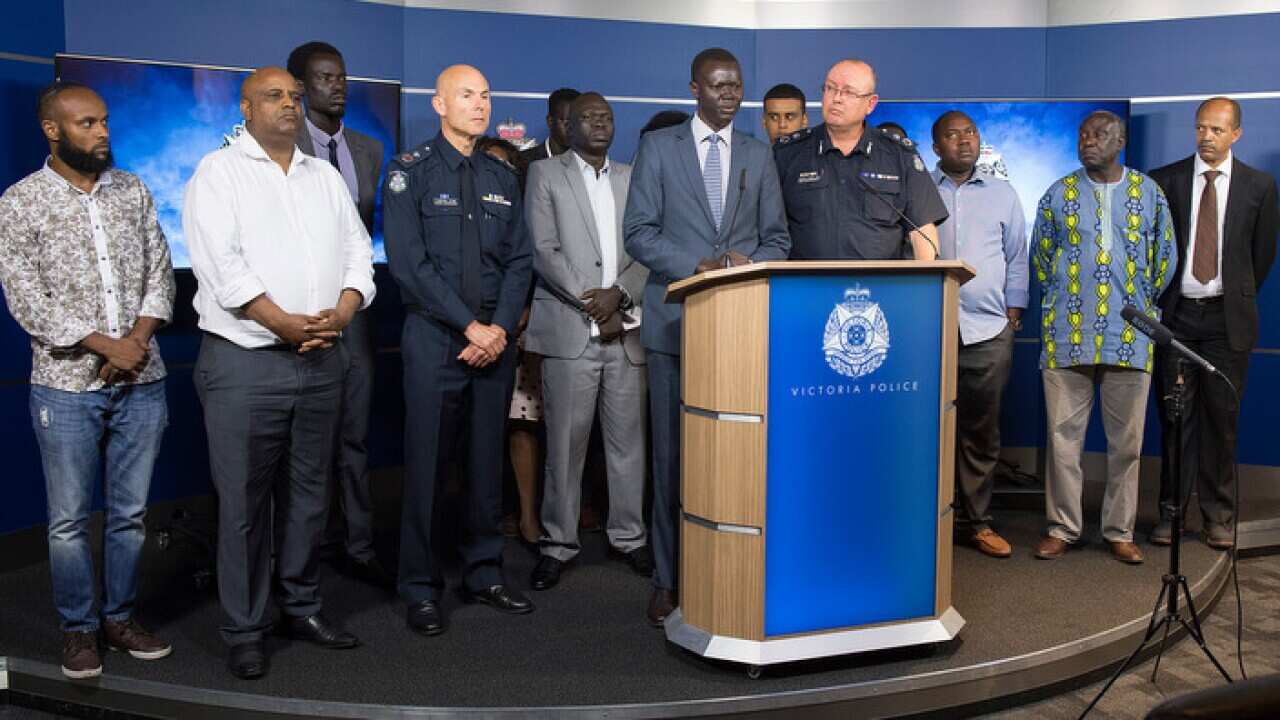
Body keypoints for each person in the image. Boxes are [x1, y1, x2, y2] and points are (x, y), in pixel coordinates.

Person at [185, 67, 375, 679]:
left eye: (295, 97)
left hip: (322, 358)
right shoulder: (220, 172)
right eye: (275, 96)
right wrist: (282, 323)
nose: (289, 105)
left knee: (309, 496)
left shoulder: (323, 175)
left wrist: (343, 311)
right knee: (243, 504)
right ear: (246, 108)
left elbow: (357, 250)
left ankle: (301, 606)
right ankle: (245, 627)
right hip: (247, 363)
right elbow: (222, 267)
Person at [0, 81, 175, 680]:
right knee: (70, 520)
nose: (102, 133)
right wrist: (107, 345)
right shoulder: (19, 202)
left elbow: (160, 271)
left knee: (129, 514)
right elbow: (27, 298)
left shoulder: (133, 191)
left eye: (104, 122)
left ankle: (119, 618)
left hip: (142, 380)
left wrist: (137, 344)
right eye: (87, 124)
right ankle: (79, 629)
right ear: (53, 130)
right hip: (63, 387)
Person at [624, 47, 790, 627]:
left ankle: (734, 569)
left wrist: (745, 265)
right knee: (673, 458)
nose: (729, 94)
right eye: (718, 85)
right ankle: (669, 578)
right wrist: (697, 265)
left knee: (738, 459)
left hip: (739, 332)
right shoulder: (657, 148)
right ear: (694, 87)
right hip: (674, 327)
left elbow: (778, 241)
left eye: (736, 85)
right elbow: (639, 233)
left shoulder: (756, 152)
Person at [383, 64, 535, 639]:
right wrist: (471, 327)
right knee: (426, 466)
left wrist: (497, 329)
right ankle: (420, 587)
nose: (479, 104)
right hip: (436, 340)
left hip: (495, 343)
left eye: (486, 95)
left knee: (484, 463)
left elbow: (520, 260)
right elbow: (409, 266)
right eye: (466, 95)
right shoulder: (409, 173)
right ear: (439, 104)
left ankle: (485, 572)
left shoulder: (503, 175)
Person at [1031, 110, 1176, 565]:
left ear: (1121, 141)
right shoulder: (1059, 193)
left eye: (1099, 135)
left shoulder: (1148, 193)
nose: (1087, 141)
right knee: (1063, 439)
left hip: (1129, 337)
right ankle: (1062, 528)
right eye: (1082, 134)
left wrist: (1138, 302)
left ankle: (1119, 530)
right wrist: (1065, 297)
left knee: (1127, 443)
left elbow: (1164, 258)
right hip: (1066, 335)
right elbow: (1041, 257)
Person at [524, 92, 651, 590]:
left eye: (607, 117)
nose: (600, 124)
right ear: (567, 126)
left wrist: (618, 295)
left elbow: (645, 246)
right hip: (571, 333)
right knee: (565, 447)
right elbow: (543, 249)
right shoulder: (544, 175)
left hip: (626, 332)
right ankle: (558, 543)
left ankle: (630, 537)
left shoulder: (631, 176)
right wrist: (591, 300)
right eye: (589, 117)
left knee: (628, 448)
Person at [1149, 97, 1279, 550]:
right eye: (1201, 128)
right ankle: (1171, 515)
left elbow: (1260, 257)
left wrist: (1232, 296)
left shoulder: (1259, 186)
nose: (1207, 137)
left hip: (1228, 321)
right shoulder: (1166, 180)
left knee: (1222, 423)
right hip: (1178, 317)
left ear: (1236, 134)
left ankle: (1217, 516)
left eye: (1217, 130)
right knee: (1175, 419)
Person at [286, 40, 392, 589]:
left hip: (355, 316)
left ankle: (358, 542)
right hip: (294, 322)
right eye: (326, 77)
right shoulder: (283, 145)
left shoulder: (370, 149)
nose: (339, 85)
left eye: (343, 75)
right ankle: (307, 549)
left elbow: (365, 238)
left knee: (355, 437)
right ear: (300, 88)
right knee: (306, 444)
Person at [930, 110, 1027, 558]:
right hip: (928, 331)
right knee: (925, 430)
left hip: (988, 331)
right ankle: (924, 522)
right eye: (952, 135)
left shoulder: (1003, 194)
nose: (963, 141)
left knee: (980, 433)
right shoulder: (917, 191)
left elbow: (1017, 257)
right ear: (936, 147)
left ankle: (977, 522)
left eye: (970, 133)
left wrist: (1013, 310)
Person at [773, 59, 946, 261]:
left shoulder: (900, 155)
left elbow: (922, 231)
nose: (836, 98)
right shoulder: (787, 154)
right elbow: (770, 231)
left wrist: (923, 287)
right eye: (830, 88)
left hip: (882, 288)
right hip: (805, 287)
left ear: (870, 104)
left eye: (848, 92)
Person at [476, 134, 542, 547]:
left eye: (506, 166)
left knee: (523, 426)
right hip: (471, 333)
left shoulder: (524, 211)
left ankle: (527, 515)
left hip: (521, 327)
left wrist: (521, 318)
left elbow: (533, 266)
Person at [521, 87, 580, 165]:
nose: (573, 128)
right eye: (567, 121)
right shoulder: (524, 162)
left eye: (579, 121)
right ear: (550, 121)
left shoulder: (592, 163)